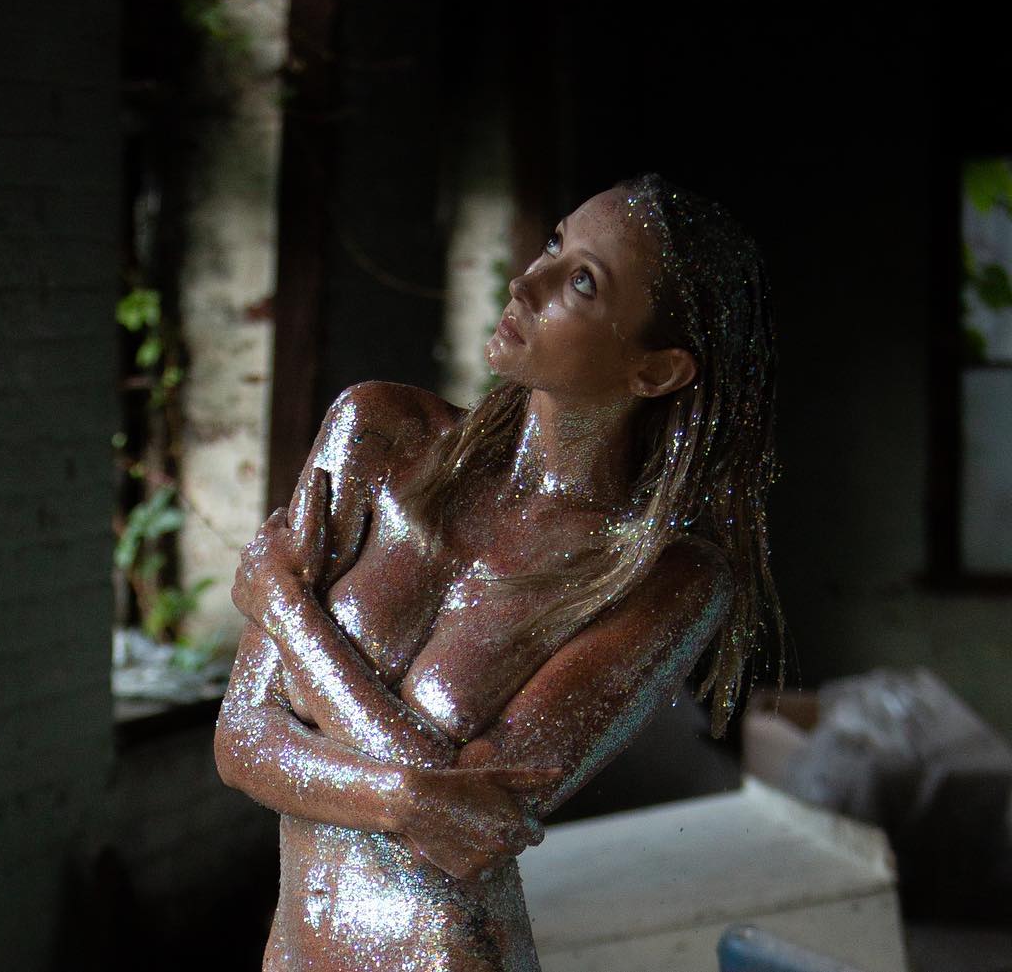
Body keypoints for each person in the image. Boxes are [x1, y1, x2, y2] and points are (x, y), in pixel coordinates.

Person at [214, 172, 783, 971]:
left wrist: (285, 607)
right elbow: (241, 740)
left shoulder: (663, 579)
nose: (528, 281)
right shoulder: (376, 432)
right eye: (554, 243)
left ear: (655, 372)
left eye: (582, 282)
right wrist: (417, 796)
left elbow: (473, 830)